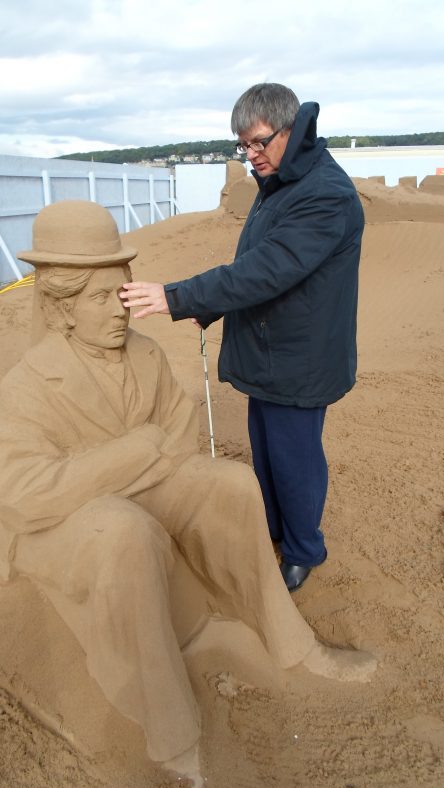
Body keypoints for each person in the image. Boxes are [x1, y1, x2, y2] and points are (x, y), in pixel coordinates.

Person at [0, 199, 374, 788]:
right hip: (66, 526)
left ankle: (291, 644)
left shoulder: (146, 354)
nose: (121, 311)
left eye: (124, 293)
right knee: (123, 531)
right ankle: (169, 730)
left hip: (127, 491)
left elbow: (182, 438)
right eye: (100, 298)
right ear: (61, 310)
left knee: (233, 484)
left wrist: (122, 468)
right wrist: (135, 454)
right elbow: (26, 495)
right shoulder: (30, 383)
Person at [120, 83, 364, 592]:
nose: (251, 156)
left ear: (291, 130)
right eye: (243, 146)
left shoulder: (325, 193)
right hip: (268, 349)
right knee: (267, 452)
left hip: (301, 357)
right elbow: (252, 266)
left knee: (295, 460)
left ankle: (302, 551)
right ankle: (275, 529)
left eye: (258, 142)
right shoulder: (279, 182)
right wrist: (208, 307)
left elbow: (269, 271)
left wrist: (179, 296)